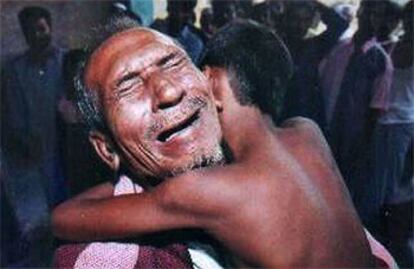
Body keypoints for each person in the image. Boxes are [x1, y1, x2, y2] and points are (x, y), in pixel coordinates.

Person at [52, 19, 394, 268]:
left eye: (173, 63)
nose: (169, 91)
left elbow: (64, 217)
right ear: (106, 149)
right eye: (128, 86)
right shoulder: (306, 133)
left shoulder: (212, 191)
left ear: (208, 80)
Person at [318, 0, 394, 235]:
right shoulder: (338, 51)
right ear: (360, 13)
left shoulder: (380, 61)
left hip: (352, 142)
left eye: (378, 14)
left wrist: (361, 149)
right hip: (325, 133)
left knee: (343, 194)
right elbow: (323, 89)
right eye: (369, 11)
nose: (372, 18)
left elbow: (376, 110)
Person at [0, 6, 67, 267]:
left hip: (62, 149)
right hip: (32, 153)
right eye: (31, 32)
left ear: (49, 27)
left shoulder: (64, 63)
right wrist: (23, 142)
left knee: (65, 206)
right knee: (40, 217)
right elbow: (13, 114)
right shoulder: (15, 71)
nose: (37, 36)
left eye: (41, 29)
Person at [371, 1, 413, 267]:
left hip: (403, 130)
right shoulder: (389, 47)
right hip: (378, 125)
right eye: (410, 16)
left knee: (395, 198)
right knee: (373, 196)